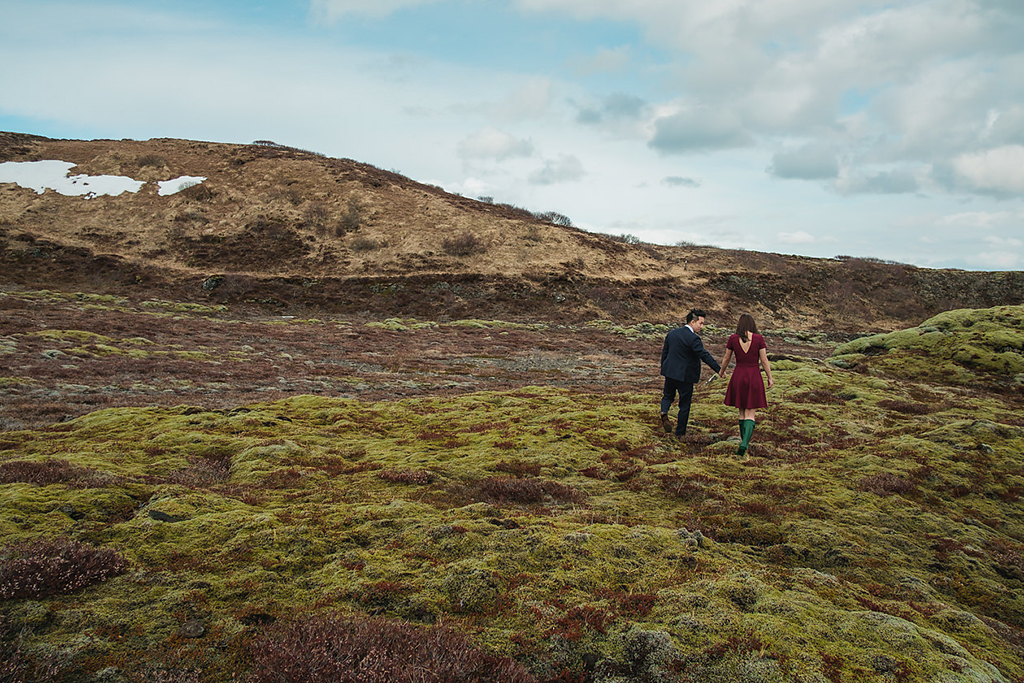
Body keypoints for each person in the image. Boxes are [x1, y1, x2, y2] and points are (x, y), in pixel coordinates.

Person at [660, 309, 722, 438]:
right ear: (692, 322)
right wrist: (719, 369)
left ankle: (664, 411)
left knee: (667, 396)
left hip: (670, 372)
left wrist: (664, 368)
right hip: (685, 376)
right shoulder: (693, 338)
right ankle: (680, 433)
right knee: (684, 404)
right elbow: (704, 355)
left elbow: (665, 353)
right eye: (701, 323)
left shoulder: (672, 334)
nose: (702, 327)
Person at [718, 314, 774, 455]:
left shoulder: (733, 339)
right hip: (753, 376)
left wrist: (721, 371)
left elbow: (726, 358)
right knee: (750, 413)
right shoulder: (758, 339)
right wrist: (769, 377)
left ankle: (744, 443)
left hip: (738, 376)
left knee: (742, 411)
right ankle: (744, 443)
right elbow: (764, 360)